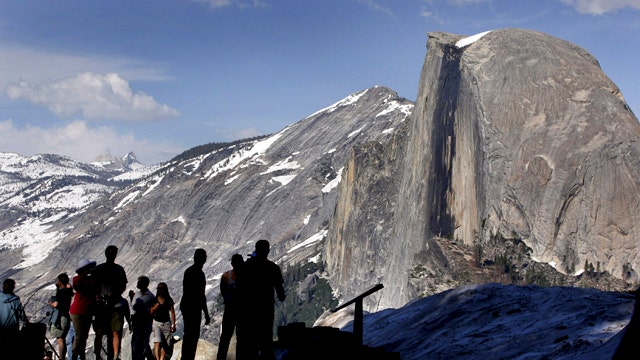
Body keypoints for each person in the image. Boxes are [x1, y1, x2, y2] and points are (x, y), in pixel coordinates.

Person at [237, 240, 285, 360]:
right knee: (266, 339)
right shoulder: (273, 268)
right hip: (266, 308)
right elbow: (280, 292)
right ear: (268, 251)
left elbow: (238, 287)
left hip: (248, 309)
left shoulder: (246, 267)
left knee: (249, 340)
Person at [92, 245, 128, 360]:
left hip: (112, 305)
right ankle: (100, 356)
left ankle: (113, 356)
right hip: (104, 305)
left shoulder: (116, 269)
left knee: (112, 332)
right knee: (105, 332)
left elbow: (123, 286)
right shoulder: (102, 269)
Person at [180, 248, 211, 360]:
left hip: (187, 306)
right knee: (193, 336)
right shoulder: (199, 274)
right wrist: (206, 313)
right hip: (194, 308)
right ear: (203, 259)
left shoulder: (188, 271)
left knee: (188, 335)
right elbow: (201, 295)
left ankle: (185, 357)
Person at [217, 254, 244, 360]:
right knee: (240, 338)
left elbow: (224, 293)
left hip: (230, 310)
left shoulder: (225, 276)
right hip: (240, 311)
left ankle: (221, 357)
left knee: (225, 338)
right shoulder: (247, 277)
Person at [69, 258, 97, 360]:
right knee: (79, 335)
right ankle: (75, 354)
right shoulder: (77, 279)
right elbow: (77, 286)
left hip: (87, 311)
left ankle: (81, 355)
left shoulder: (92, 280)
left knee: (84, 336)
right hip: (78, 311)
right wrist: (85, 275)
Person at [48, 273, 74, 360]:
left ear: (60, 281)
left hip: (61, 317)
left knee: (60, 339)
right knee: (62, 338)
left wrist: (50, 303)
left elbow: (56, 304)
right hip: (66, 316)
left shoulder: (62, 292)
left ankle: (62, 358)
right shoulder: (68, 291)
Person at [131, 276, 155, 360]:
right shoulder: (136, 294)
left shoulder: (150, 296)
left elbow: (153, 310)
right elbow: (133, 307)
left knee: (143, 342)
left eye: (139, 282)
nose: (137, 283)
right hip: (137, 323)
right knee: (135, 342)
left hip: (145, 323)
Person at [151, 282, 176, 360]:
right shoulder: (154, 300)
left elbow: (172, 312)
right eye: (159, 289)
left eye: (161, 288)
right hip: (156, 323)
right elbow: (150, 311)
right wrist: (155, 308)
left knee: (166, 344)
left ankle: (162, 358)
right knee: (157, 342)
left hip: (166, 323)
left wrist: (174, 324)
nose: (160, 290)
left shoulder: (169, 300)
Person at [0, 278, 28, 347]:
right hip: (12, 329)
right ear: (13, 288)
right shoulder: (15, 300)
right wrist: (27, 322)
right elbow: (21, 314)